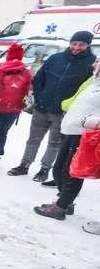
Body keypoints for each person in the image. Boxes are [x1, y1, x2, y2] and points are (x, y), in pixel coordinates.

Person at [7, 31, 96, 182]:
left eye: (81, 44)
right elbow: (39, 78)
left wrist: (71, 107)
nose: (76, 47)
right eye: (74, 43)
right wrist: (40, 96)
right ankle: (24, 164)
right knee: (33, 139)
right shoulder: (56, 58)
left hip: (62, 112)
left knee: (55, 142)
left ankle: (44, 169)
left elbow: (87, 89)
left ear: (87, 45)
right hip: (42, 107)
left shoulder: (90, 64)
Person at [34, 59, 100, 220]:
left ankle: (61, 207)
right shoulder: (94, 81)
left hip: (85, 134)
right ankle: (64, 201)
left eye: (98, 61)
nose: (94, 63)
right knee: (60, 168)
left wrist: (91, 122)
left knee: (72, 172)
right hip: (72, 130)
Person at [0, 43, 31, 167]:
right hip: (13, 108)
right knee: (3, 132)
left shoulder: (0, 69)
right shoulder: (25, 72)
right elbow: (27, 89)